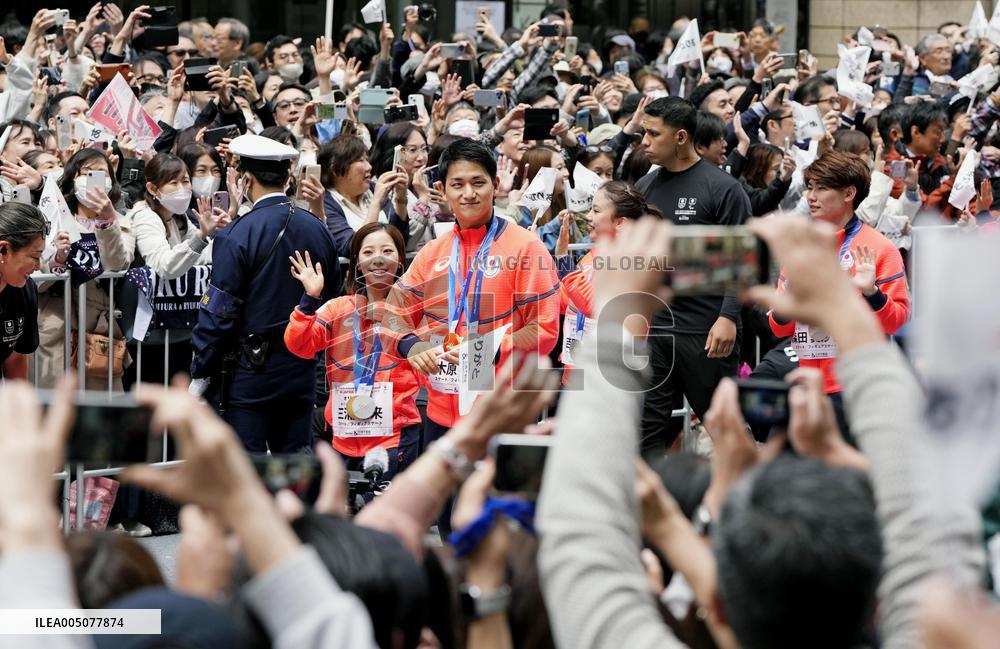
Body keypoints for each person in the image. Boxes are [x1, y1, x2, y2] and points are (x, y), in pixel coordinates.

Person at [387, 138, 560, 450]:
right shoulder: (433, 252)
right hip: (440, 410)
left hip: (504, 411)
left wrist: (484, 348)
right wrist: (410, 345)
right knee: (443, 499)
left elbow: (544, 330)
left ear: (495, 184)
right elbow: (393, 312)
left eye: (478, 182)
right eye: (458, 184)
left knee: (494, 499)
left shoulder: (526, 247)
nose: (468, 193)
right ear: (443, 189)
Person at [189, 133, 341, 454]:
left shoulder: (237, 233)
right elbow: (333, 299)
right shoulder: (318, 228)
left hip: (251, 371)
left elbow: (220, 311)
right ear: (288, 177)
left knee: (248, 471)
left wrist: (201, 369)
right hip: (301, 368)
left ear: (244, 178)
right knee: (294, 469)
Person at [635, 96, 751, 454]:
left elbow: (743, 256)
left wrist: (728, 318)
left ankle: (746, 502)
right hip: (657, 330)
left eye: (653, 134)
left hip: (706, 330)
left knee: (725, 429)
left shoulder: (722, 188)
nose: (645, 142)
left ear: (681, 137)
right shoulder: (645, 187)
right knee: (647, 434)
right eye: (643, 133)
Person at [769, 151, 910, 425]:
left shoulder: (879, 248)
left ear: (849, 194)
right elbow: (778, 328)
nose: (811, 196)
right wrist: (789, 302)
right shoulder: (800, 249)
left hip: (859, 383)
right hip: (808, 383)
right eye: (810, 187)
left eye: (822, 188)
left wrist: (872, 294)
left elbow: (898, 322)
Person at [284, 223, 421, 481]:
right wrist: (309, 300)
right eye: (368, 252)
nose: (378, 259)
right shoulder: (337, 309)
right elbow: (299, 346)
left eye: (386, 251)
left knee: (385, 518)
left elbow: (431, 361)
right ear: (357, 263)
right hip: (343, 434)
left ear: (400, 259)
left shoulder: (416, 311)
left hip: (393, 437)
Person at [35, 148, 135, 391]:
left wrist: (108, 220)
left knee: (98, 414)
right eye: (87, 173)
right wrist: (57, 258)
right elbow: (35, 275)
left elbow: (117, 264)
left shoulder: (123, 222)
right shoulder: (51, 219)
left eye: (101, 173)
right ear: (72, 179)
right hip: (55, 324)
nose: (94, 179)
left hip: (98, 329)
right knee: (55, 409)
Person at [320, 129, 410, 258]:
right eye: (360, 160)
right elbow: (351, 248)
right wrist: (376, 202)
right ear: (335, 169)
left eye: (367, 160)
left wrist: (401, 198)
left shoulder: (373, 188)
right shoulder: (326, 203)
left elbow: (400, 238)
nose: (369, 167)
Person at [0, 202, 45, 380]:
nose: (38, 266)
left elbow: (16, 357)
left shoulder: (25, 290)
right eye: (34, 257)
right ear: (3, 249)